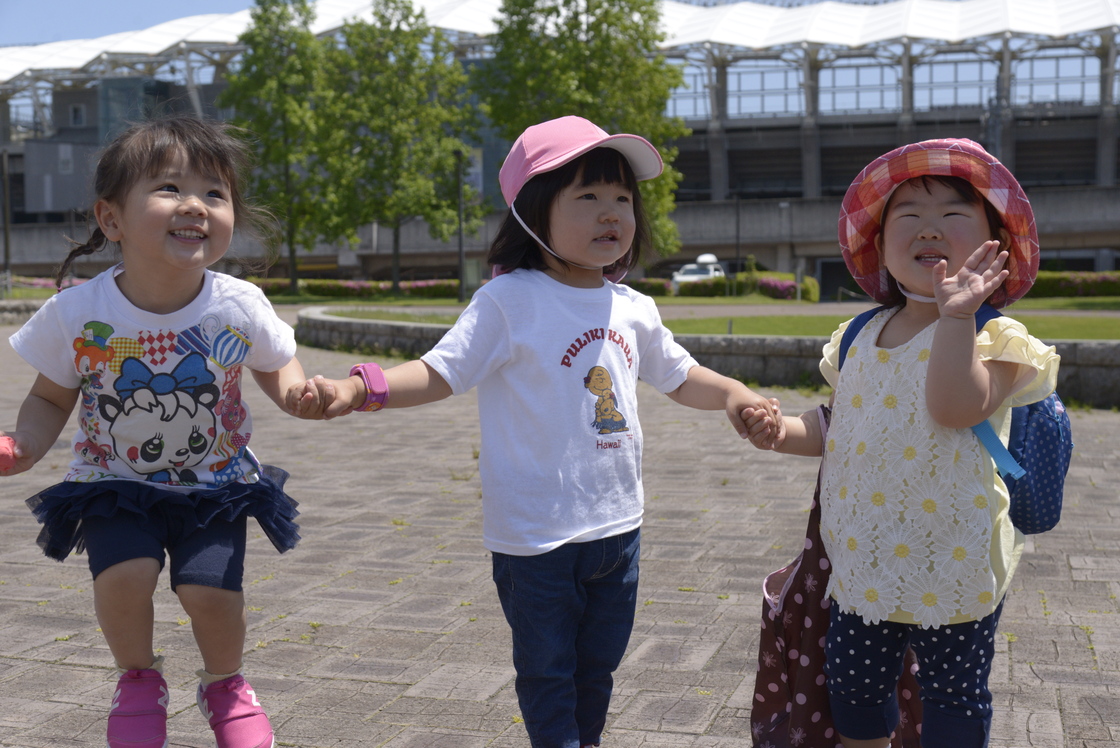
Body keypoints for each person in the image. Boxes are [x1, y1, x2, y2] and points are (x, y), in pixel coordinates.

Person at [289, 115, 778, 748]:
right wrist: (361, 389)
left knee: (596, 670)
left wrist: (735, 395)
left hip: (617, 530)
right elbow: (442, 372)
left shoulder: (633, 307)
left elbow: (680, 376)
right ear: (531, 212)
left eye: (623, 199)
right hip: (535, 540)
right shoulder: (508, 301)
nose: (612, 214)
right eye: (588, 197)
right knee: (548, 673)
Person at [1, 115, 311, 748]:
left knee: (212, 593)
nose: (195, 204)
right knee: (124, 578)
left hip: (215, 485)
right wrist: (25, 443)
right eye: (169, 188)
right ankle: (138, 679)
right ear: (111, 220)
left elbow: (281, 369)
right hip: (112, 482)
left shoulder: (237, 304)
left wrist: (303, 394)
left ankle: (226, 684)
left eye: (215, 193)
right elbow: (49, 394)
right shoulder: (79, 312)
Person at [743, 139, 1060, 748]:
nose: (928, 229)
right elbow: (840, 426)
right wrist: (782, 432)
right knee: (855, 692)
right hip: (864, 561)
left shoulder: (999, 337)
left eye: (953, 215)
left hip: (955, 561)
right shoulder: (861, 333)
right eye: (907, 217)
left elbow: (953, 406)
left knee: (953, 698)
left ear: (995, 243)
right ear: (880, 246)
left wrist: (958, 317)